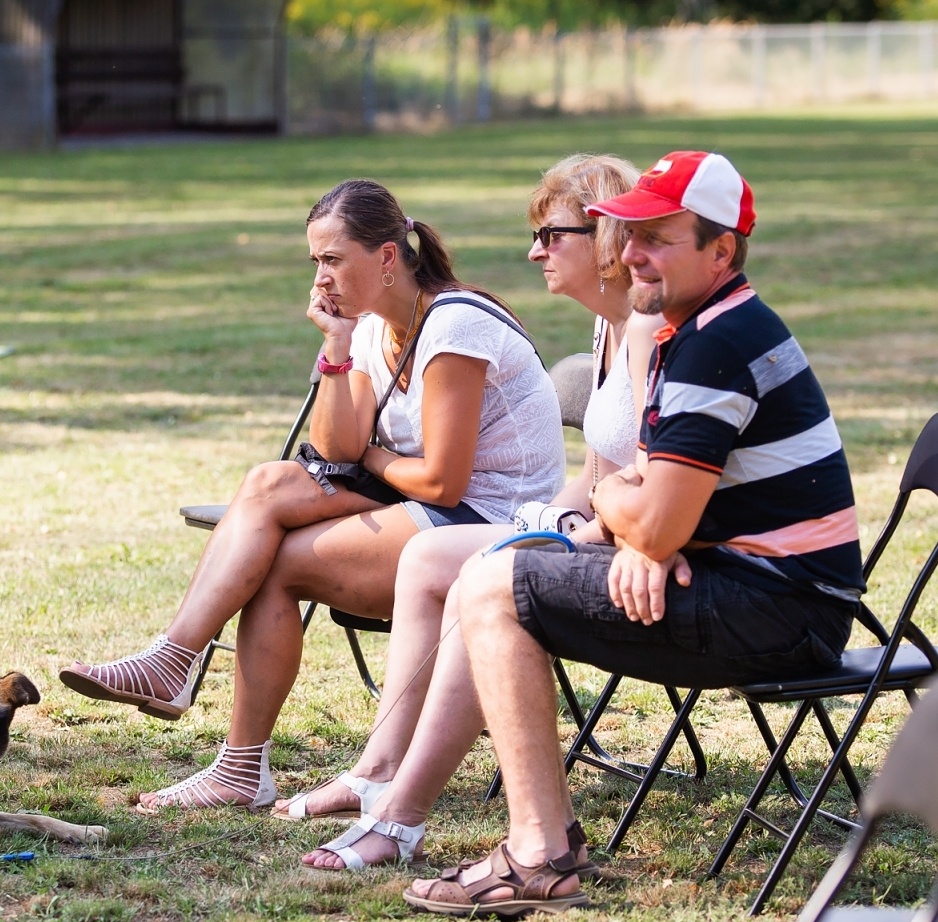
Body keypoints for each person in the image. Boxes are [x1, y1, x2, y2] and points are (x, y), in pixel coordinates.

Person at [402, 151, 865, 917]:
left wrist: (628, 517)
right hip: (760, 587)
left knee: (491, 587)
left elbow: (650, 512)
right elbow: (650, 499)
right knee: (500, 571)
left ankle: (538, 854)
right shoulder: (700, 328)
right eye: (631, 232)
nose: (634, 252)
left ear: (721, 250)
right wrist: (640, 529)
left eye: (659, 237)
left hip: (778, 609)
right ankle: (536, 842)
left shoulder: (714, 345)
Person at [60, 179, 564, 813]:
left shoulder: (454, 324)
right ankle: (176, 665)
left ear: (386, 257)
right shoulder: (373, 328)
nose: (321, 278)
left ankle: (228, 753)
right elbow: (336, 447)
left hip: (493, 521)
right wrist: (336, 346)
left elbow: (443, 481)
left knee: (278, 563)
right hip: (421, 505)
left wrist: (374, 457)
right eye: (315, 262)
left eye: (333, 260)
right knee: (267, 483)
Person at [279, 154, 664, 871]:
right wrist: (550, 522)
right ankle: (378, 768)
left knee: (481, 580)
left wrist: (567, 531)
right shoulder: (609, 329)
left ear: (606, 235)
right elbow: (599, 475)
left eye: (551, 236)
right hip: (601, 530)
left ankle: (399, 813)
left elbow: (653, 482)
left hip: (645, 554)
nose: (536, 251)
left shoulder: (649, 331)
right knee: (431, 557)